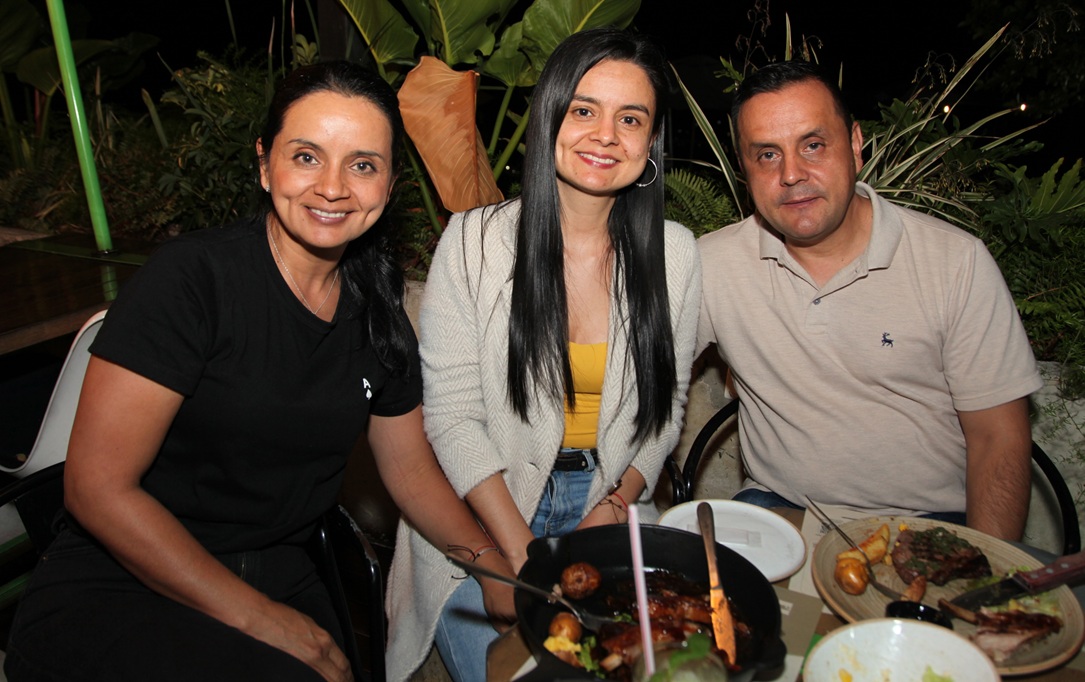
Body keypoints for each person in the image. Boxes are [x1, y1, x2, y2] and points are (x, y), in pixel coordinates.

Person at [4, 61, 505, 682]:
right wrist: (262, 620)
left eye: (363, 164)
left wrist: (490, 562)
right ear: (266, 165)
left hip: (279, 570)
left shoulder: (378, 318)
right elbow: (98, 488)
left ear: (389, 185)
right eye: (306, 156)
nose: (333, 187)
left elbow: (408, 470)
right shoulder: (193, 281)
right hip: (124, 577)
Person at [383, 27, 701, 682]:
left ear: (649, 147)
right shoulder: (472, 246)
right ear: (550, 116)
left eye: (630, 118)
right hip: (485, 509)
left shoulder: (675, 254)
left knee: (652, 664)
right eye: (583, 109)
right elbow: (450, 418)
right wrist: (522, 550)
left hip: (605, 502)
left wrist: (617, 500)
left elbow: (664, 410)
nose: (604, 135)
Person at [697, 60, 1042, 541]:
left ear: (856, 145)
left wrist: (988, 572)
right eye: (767, 155)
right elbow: (637, 376)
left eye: (813, 145)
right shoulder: (711, 264)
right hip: (780, 512)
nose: (792, 174)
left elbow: (999, 439)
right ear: (744, 168)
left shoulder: (955, 262)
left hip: (931, 525)